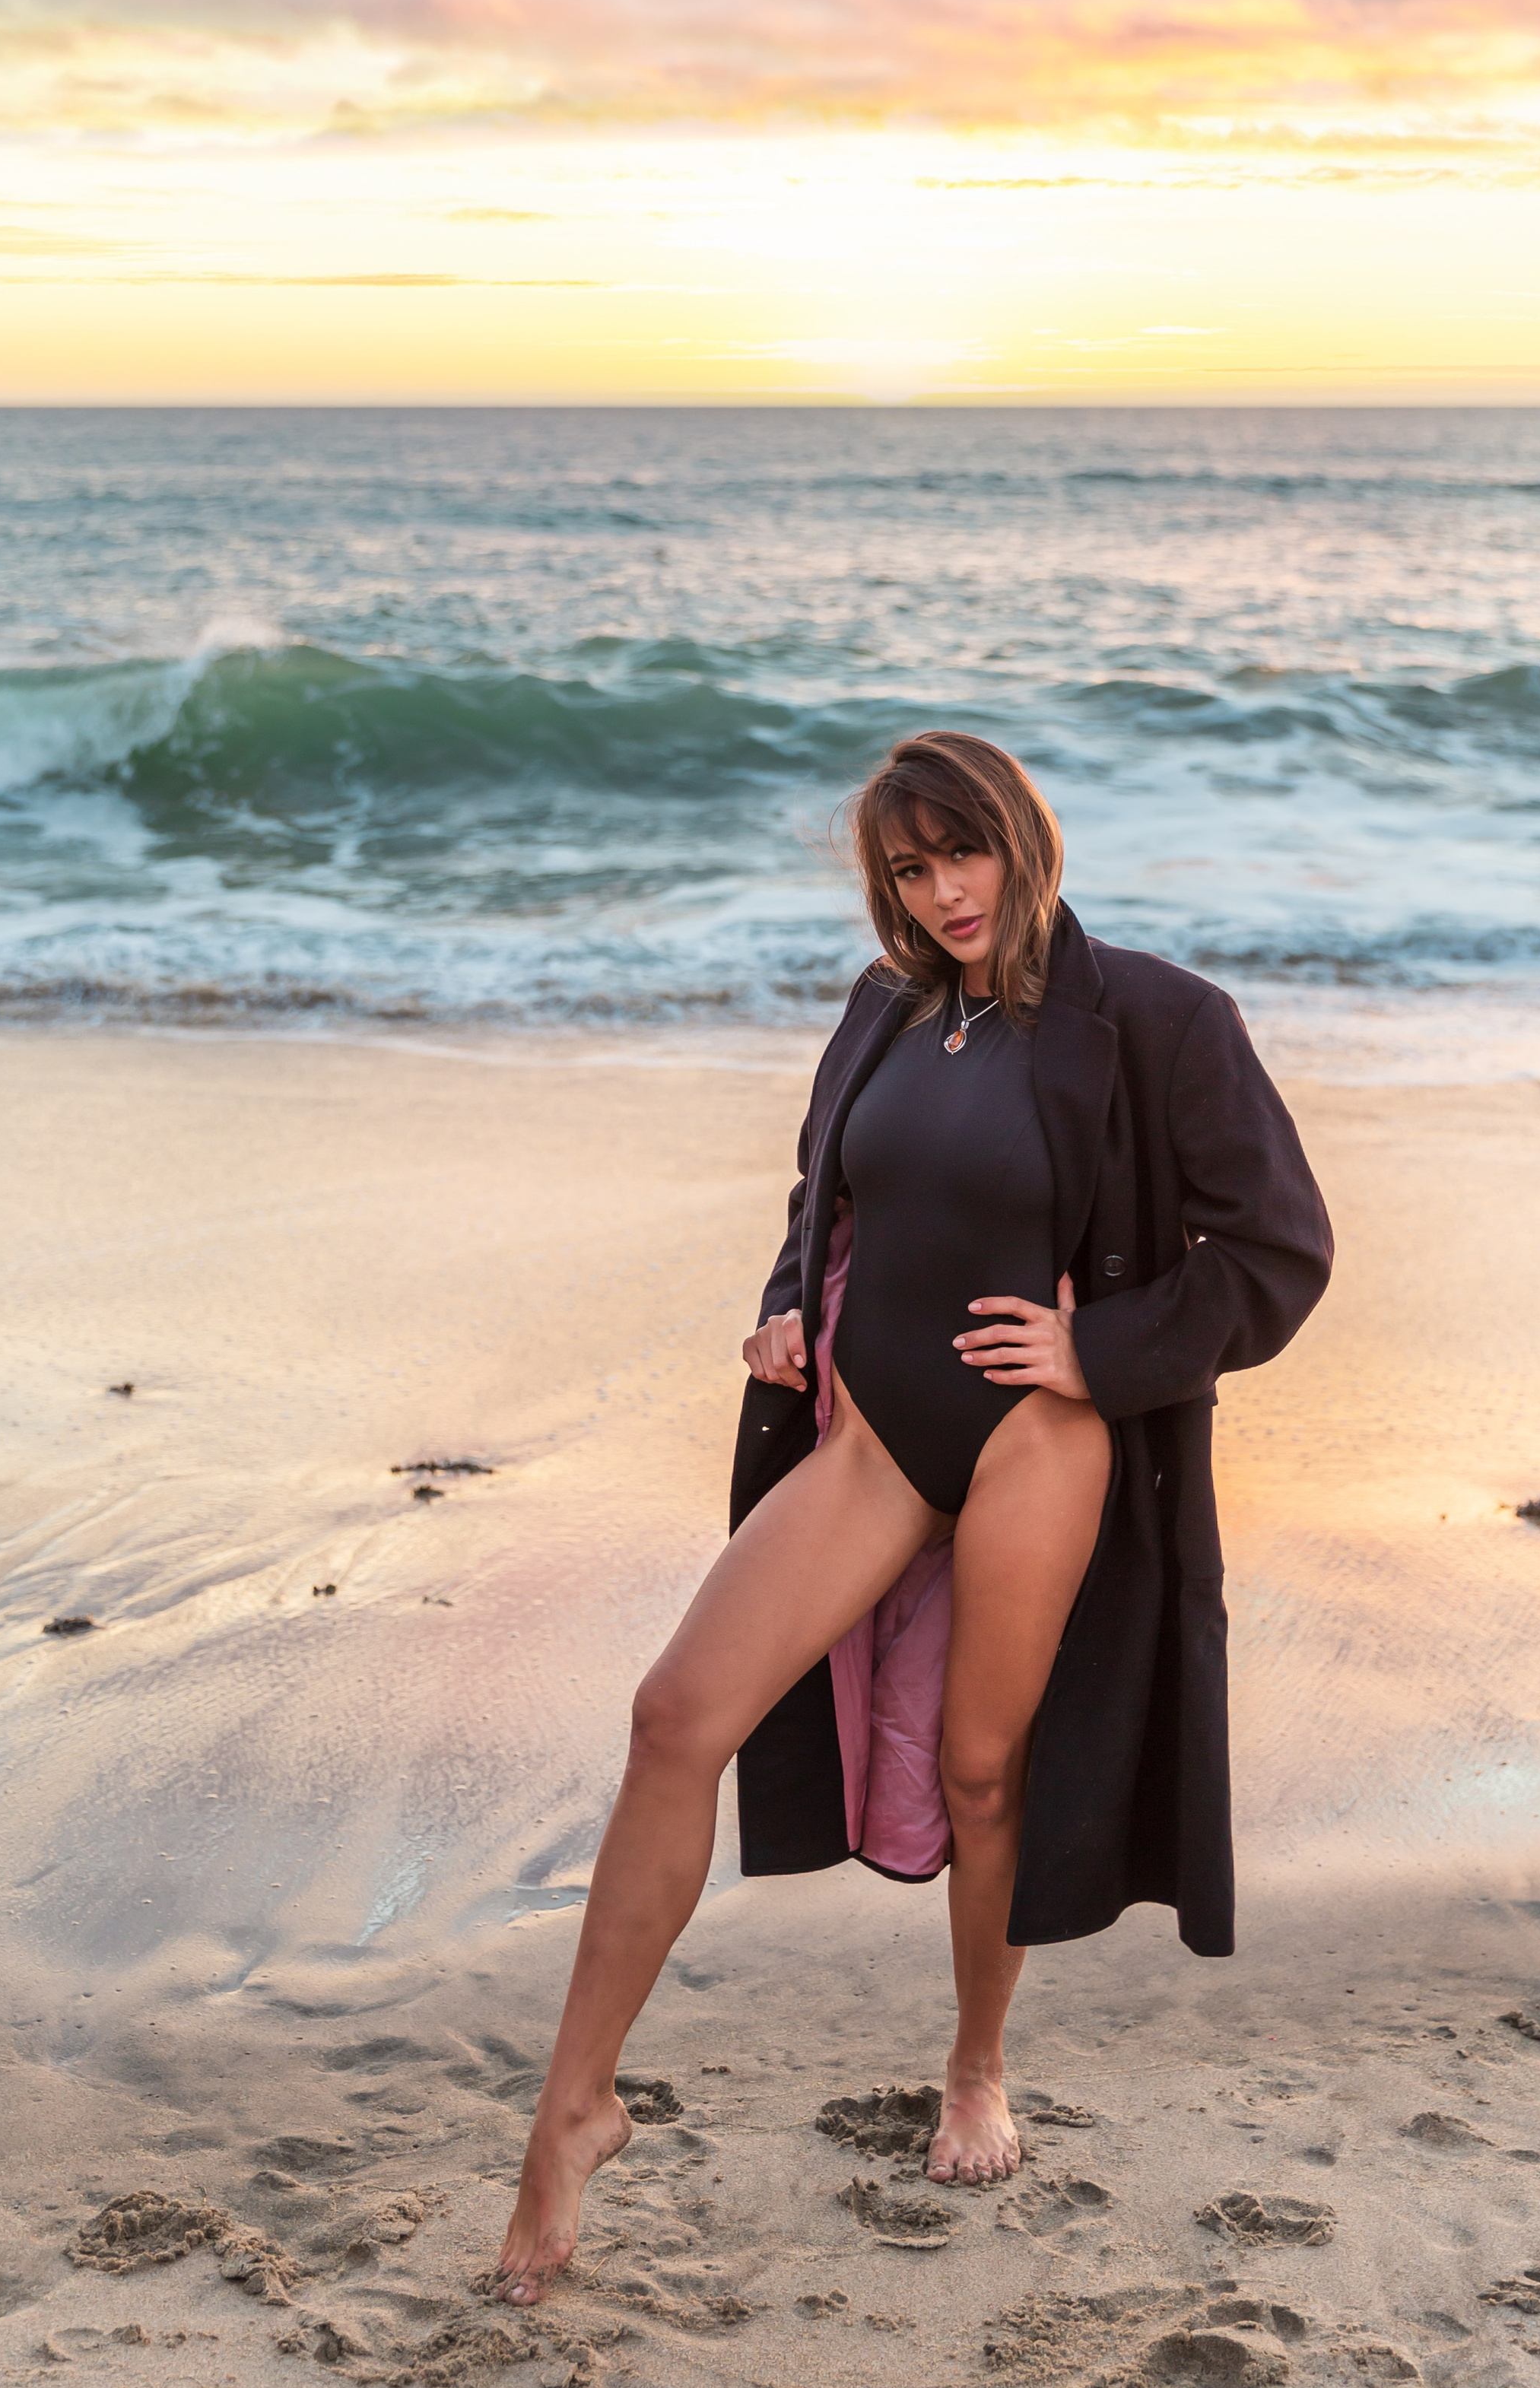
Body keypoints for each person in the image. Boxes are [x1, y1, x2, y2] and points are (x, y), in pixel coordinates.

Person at [494, 731, 1332, 2301]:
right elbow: (832, 1194)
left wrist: (1101, 1349)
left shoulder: (1156, 1020)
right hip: (876, 1435)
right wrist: (782, 1309)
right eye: (908, 868)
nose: (943, 892)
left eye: (966, 853)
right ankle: (576, 2106)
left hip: (1035, 1438)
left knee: (979, 1766)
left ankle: (973, 2064)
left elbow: (1277, 1247)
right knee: (676, 1714)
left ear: (1025, 839)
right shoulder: (884, 1013)